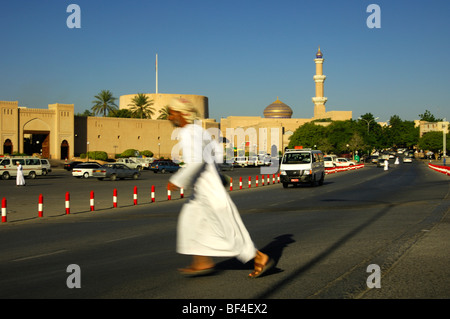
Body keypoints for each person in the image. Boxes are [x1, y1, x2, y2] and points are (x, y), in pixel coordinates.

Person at [167, 98, 274, 278]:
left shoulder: (188, 133)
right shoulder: (200, 131)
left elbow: (196, 161)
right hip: (203, 190)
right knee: (190, 222)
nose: (169, 117)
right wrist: (218, 175)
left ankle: (259, 257)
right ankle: (202, 261)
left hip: (208, 190)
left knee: (226, 229)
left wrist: (178, 180)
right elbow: (216, 154)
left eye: (171, 113)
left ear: (182, 114)